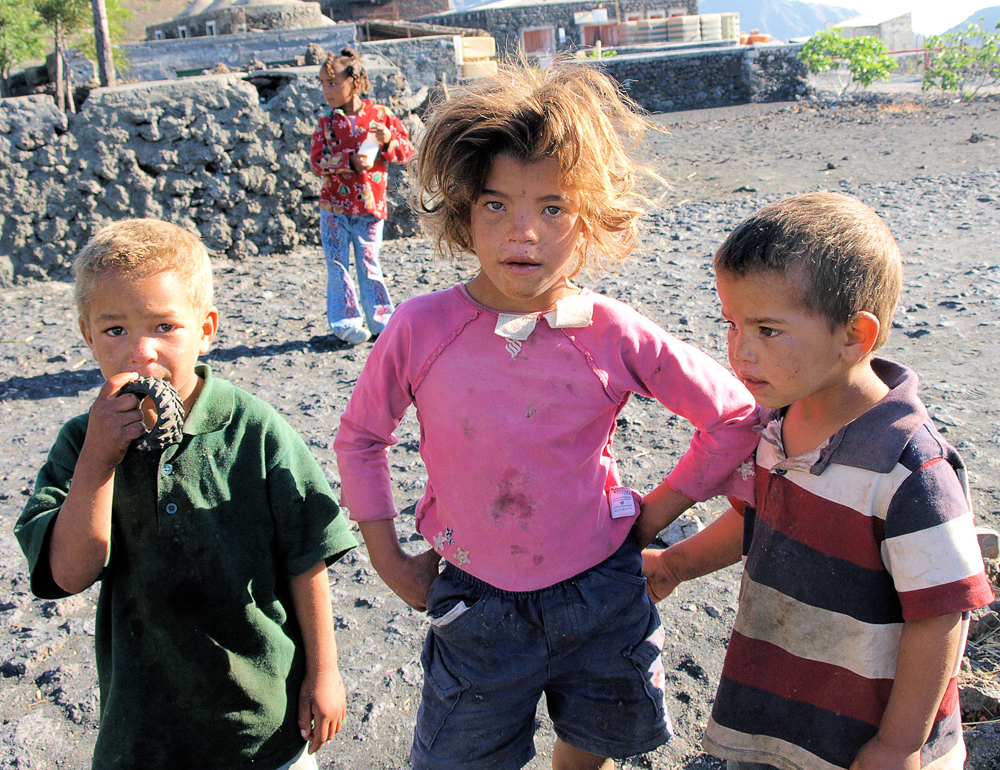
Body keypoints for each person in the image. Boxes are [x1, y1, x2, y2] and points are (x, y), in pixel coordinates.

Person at [333, 61, 760, 770]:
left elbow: (734, 416)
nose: (522, 233)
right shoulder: (419, 327)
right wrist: (388, 559)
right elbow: (361, 437)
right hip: (473, 598)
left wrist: (656, 511)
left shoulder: (612, 332)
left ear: (591, 218)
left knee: (594, 741)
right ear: (466, 212)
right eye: (496, 205)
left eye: (553, 208)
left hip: (600, 591)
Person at [643, 192, 995, 770]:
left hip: (869, 733)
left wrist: (900, 744)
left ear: (855, 335)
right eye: (731, 324)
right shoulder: (780, 421)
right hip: (784, 705)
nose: (740, 352)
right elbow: (762, 515)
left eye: (768, 330)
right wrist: (676, 565)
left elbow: (942, 616)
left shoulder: (911, 469)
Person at [14, 219, 359, 770]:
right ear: (87, 335)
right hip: (143, 732)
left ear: (206, 328)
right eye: (115, 331)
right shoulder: (81, 442)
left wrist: (325, 672)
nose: (141, 352)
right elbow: (68, 573)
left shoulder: (253, 429)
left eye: (165, 326)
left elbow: (307, 554)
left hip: (260, 725)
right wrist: (99, 460)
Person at [310, 47, 414, 345]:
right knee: (337, 263)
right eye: (323, 84)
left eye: (333, 83)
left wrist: (388, 140)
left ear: (355, 83)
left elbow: (406, 152)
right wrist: (348, 162)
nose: (326, 90)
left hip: (370, 206)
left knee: (369, 261)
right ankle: (346, 322)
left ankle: (382, 320)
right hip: (334, 208)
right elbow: (317, 161)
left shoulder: (380, 116)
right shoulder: (326, 123)